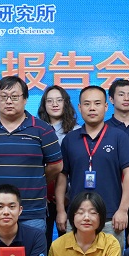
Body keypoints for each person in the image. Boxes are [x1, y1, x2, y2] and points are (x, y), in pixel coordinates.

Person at [0, 77, 62, 232]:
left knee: (32, 249)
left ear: (25, 99)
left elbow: (56, 166)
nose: (8, 101)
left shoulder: (43, 129)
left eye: (14, 97)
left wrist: (34, 180)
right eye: (3, 97)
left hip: (32, 212)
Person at [56, 85, 129, 249]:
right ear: (79, 107)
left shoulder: (119, 137)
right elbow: (62, 176)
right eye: (87, 104)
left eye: (97, 103)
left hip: (111, 217)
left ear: (106, 106)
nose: (92, 108)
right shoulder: (70, 139)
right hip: (76, 217)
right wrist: (61, 211)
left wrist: (123, 210)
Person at [37, 84, 77, 247]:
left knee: (68, 246)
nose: (54, 104)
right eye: (50, 101)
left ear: (66, 103)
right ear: (44, 105)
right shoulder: (36, 130)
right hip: (42, 197)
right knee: (41, 243)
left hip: (70, 197)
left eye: (59, 100)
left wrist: (69, 195)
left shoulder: (77, 132)